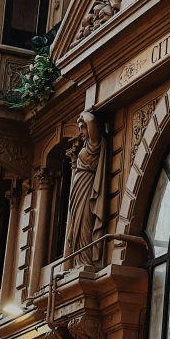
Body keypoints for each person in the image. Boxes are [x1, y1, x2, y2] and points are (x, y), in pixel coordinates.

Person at [66, 111, 107, 266]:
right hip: (78, 190)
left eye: (83, 128)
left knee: (85, 222)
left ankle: (85, 261)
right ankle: (78, 261)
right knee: (76, 224)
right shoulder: (86, 145)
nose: (81, 132)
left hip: (87, 188)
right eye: (80, 128)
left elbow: (91, 121)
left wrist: (84, 112)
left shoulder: (94, 144)